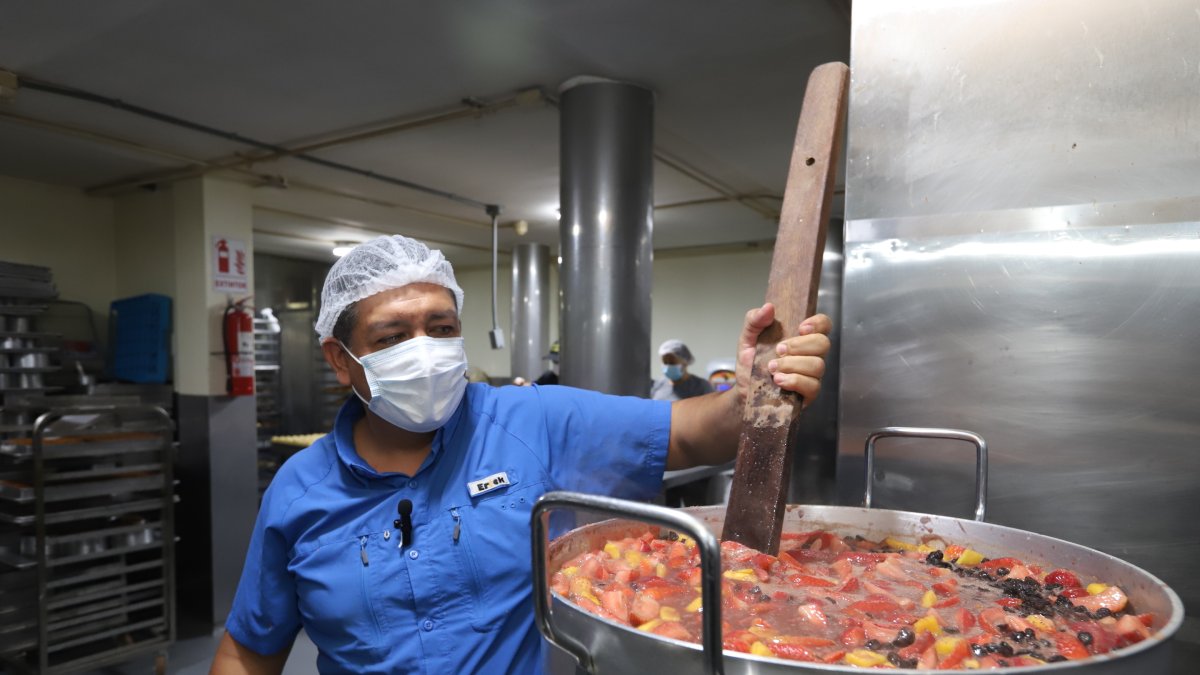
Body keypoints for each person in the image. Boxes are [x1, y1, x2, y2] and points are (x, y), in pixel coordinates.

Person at [211, 235, 832, 675]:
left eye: (442, 327)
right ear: (340, 359)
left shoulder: (529, 421)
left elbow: (691, 433)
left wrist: (750, 395)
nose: (424, 350)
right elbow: (248, 650)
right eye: (393, 337)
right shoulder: (300, 491)